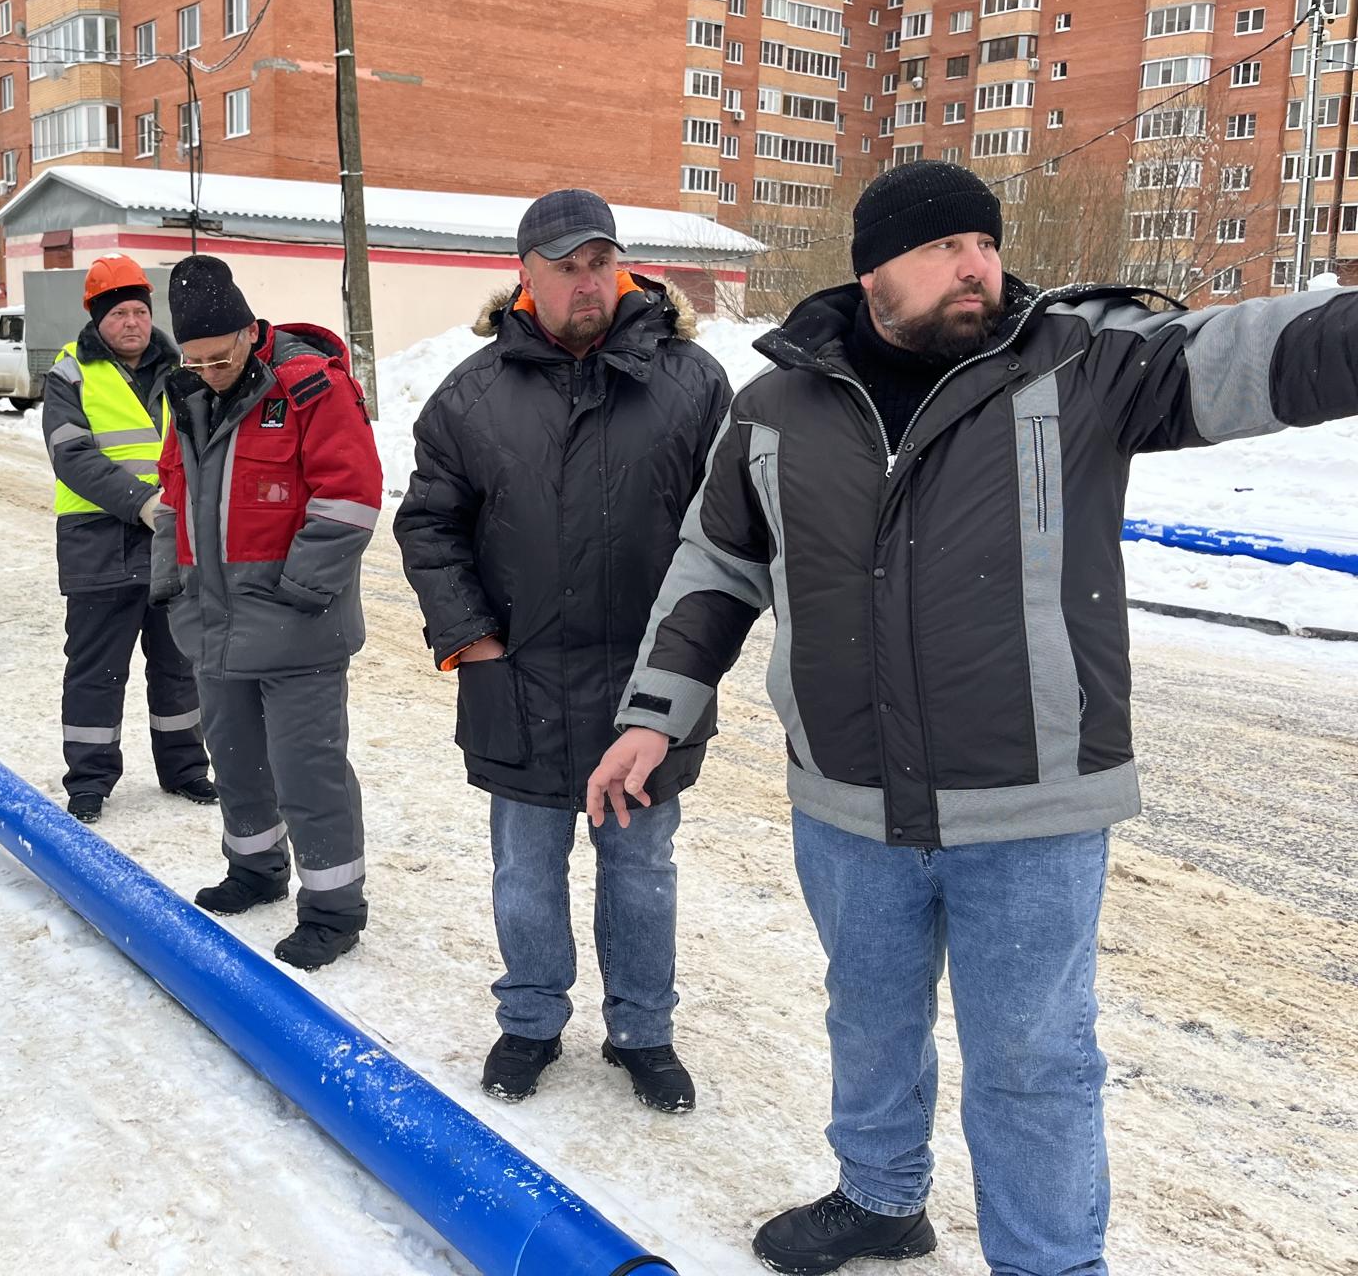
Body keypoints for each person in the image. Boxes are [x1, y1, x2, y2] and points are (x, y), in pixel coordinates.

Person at [590, 159, 1358, 1275]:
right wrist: (655, 714)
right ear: (873, 271)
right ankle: (881, 1197)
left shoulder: (1087, 369)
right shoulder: (774, 410)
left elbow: (1265, 353)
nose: (978, 267)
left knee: (1034, 1060)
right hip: (848, 799)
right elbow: (717, 566)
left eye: (987, 246)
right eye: (947, 247)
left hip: (1032, 808)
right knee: (868, 1019)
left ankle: (1049, 1264)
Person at [393, 188, 731, 1112]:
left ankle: (643, 1030)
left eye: (600, 261)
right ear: (524, 276)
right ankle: (533, 1018)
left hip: (647, 692)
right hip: (521, 679)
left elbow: (731, 533)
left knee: (642, 869)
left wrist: (687, 663)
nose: (588, 282)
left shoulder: (692, 384)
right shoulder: (471, 397)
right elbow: (429, 527)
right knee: (526, 869)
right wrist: (475, 641)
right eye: (566, 265)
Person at [151, 255, 381, 970]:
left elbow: (352, 493)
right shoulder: (187, 394)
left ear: (252, 332)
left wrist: (300, 593)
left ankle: (333, 908)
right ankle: (255, 870)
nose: (209, 372)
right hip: (215, 625)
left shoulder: (312, 388)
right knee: (238, 761)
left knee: (306, 771)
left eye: (220, 359)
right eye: (195, 361)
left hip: (297, 629)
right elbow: (172, 495)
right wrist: (170, 583)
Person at [42, 253, 215, 823]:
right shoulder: (69, 373)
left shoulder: (184, 369)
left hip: (174, 543)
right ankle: (89, 781)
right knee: (96, 669)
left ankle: (186, 769)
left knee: (179, 664)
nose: (133, 323)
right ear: (97, 319)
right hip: (99, 543)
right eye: (119, 314)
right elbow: (72, 456)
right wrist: (141, 502)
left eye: (140, 311)